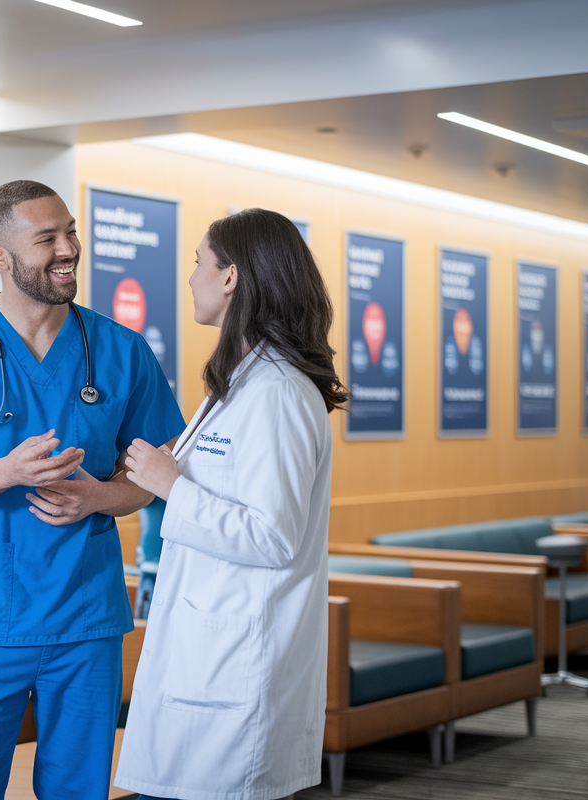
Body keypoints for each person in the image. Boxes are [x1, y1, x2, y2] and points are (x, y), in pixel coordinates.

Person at [0, 180, 185, 800]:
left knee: (79, 791)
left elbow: (151, 479)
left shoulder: (122, 351)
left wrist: (98, 497)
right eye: (48, 239)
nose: (69, 248)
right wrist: (8, 471)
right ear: (0, 255)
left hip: (86, 615)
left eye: (71, 232)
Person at [115, 209, 347, 800]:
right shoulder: (242, 382)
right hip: (208, 654)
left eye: (199, 262)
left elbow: (273, 535)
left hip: (238, 667)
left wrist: (172, 486)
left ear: (231, 278)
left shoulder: (278, 391)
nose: (190, 277)